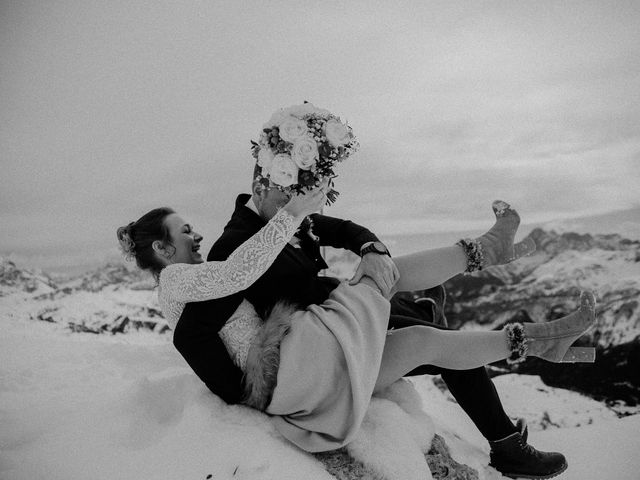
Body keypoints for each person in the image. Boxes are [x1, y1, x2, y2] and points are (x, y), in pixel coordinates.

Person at [119, 188, 595, 480]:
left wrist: (313, 223)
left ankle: (535, 340)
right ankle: (486, 251)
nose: (195, 237)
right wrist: (290, 217)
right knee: (380, 276)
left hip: (309, 385)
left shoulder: (194, 280)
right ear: (162, 249)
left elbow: (328, 232)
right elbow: (238, 274)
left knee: (423, 340)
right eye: (184, 232)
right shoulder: (178, 279)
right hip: (297, 369)